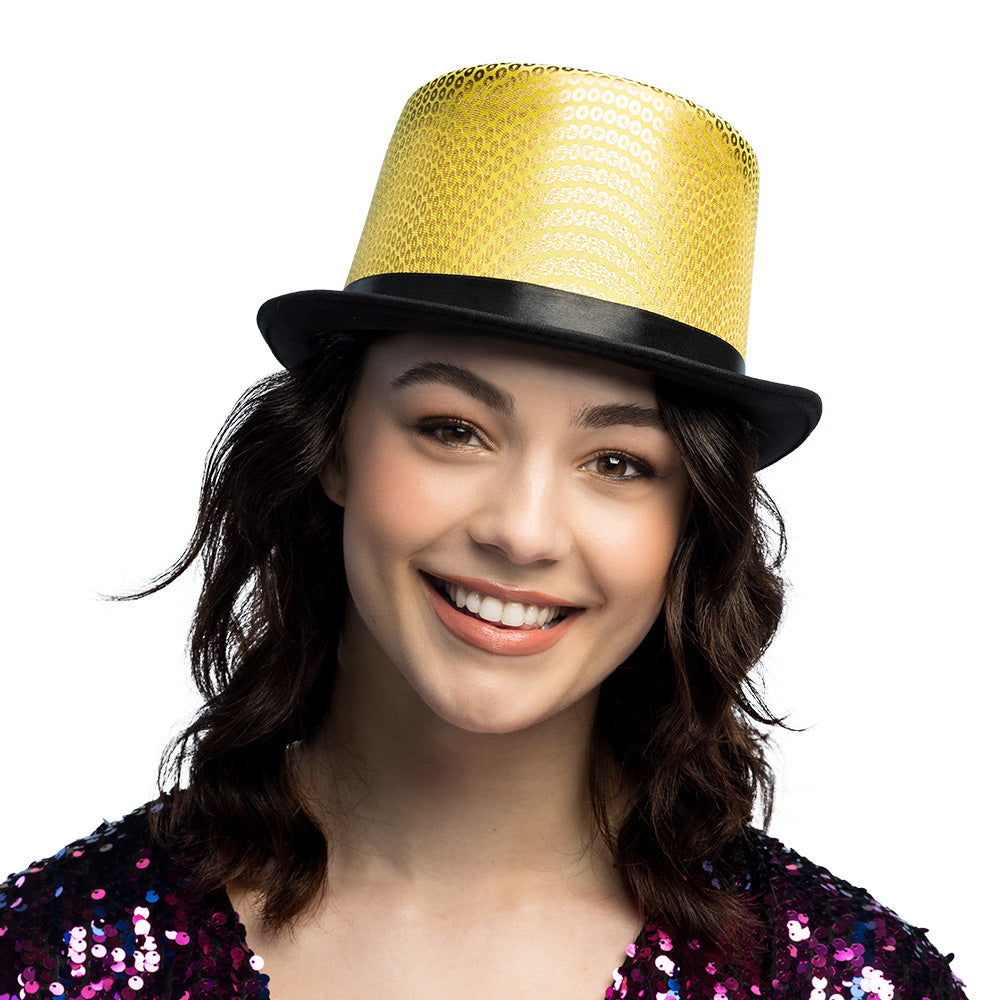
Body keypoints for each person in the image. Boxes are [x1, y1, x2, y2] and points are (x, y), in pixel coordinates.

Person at [0, 63, 967, 999]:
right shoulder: (38, 960)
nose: (523, 532)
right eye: (453, 431)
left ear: (690, 523)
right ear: (332, 448)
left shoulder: (844, 979)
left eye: (618, 463)